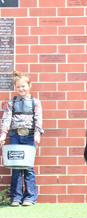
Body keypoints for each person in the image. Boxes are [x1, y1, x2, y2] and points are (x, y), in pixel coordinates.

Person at [0, 71, 44, 207]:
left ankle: (30, 197)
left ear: (29, 85)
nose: (21, 89)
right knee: (16, 167)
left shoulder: (35, 102)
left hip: (30, 136)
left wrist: (37, 134)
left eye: (23, 86)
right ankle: (16, 197)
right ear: (15, 87)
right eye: (18, 87)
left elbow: (38, 119)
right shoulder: (11, 102)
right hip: (15, 136)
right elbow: (6, 119)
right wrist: (3, 134)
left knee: (28, 167)